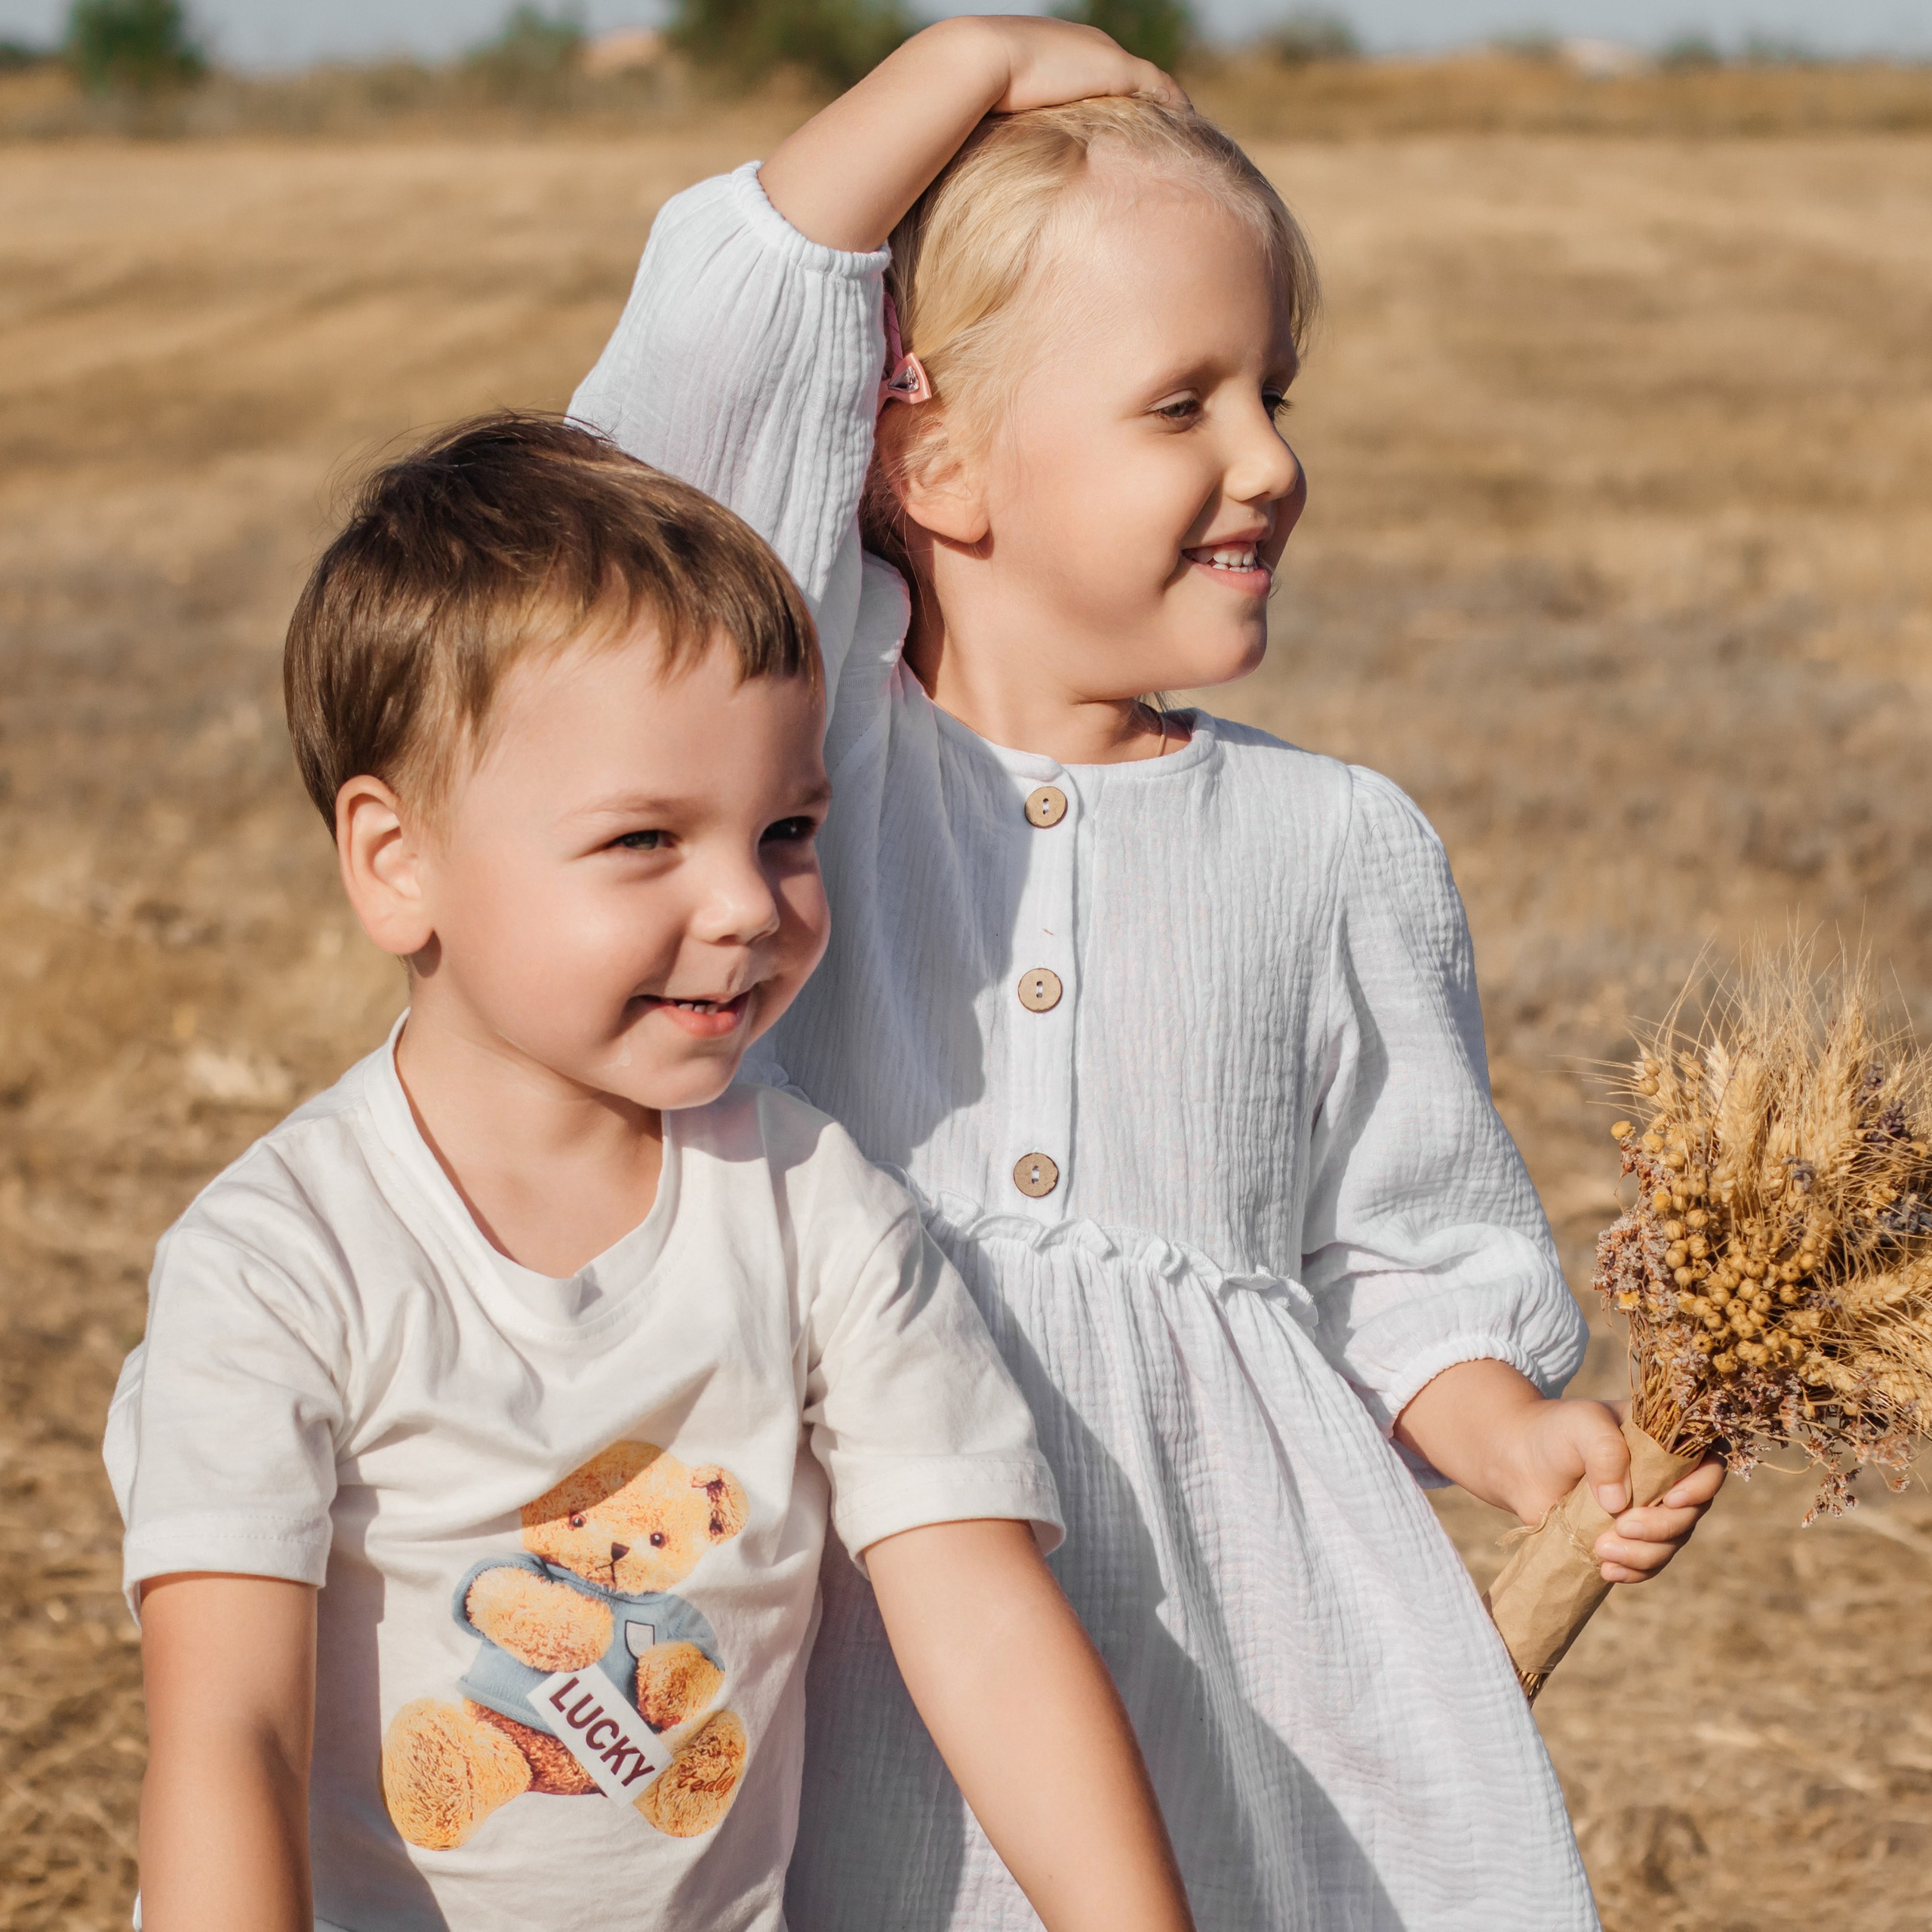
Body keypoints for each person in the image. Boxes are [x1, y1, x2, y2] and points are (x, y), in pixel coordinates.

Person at [567, 19, 1728, 1930]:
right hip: (843, 1606)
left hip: (1229, 1641)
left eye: (1271, 390)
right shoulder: (796, 779)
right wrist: (973, 57)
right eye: (1179, 402)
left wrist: (1508, 1430)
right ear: (932, 450)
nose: (1268, 459)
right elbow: (706, 364)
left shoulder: (1335, 842)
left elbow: (1396, 1241)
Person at [103, 415, 1198, 1932]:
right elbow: (232, 1724)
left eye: (788, 828)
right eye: (642, 839)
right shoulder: (281, 1258)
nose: (747, 903)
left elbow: (982, 1618)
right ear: (394, 860)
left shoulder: (812, 1207)